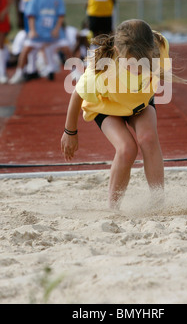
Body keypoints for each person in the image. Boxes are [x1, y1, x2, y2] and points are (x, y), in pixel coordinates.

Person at [61, 19, 172, 209]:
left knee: (148, 138)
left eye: (143, 63)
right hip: (106, 106)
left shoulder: (159, 45)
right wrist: (70, 132)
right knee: (127, 148)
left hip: (138, 103)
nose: (138, 70)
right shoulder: (100, 69)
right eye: (132, 65)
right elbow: (77, 95)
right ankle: (113, 208)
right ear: (119, 53)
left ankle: (158, 202)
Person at [9, 0, 67, 84]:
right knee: (26, 50)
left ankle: (76, 73)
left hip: (53, 32)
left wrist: (56, 30)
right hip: (39, 32)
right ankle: (19, 72)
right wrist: (32, 31)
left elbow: (61, 15)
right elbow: (31, 15)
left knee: (67, 48)